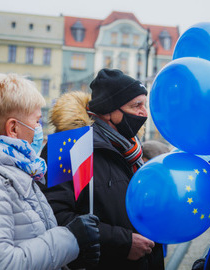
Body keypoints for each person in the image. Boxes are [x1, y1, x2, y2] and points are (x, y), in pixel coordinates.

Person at [0, 72, 100, 270]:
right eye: (37, 121)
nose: (39, 128)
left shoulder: (12, 166)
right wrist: (70, 237)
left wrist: (69, 256)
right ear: (13, 128)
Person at [40, 68, 164, 269]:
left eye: (145, 105)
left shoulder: (131, 150)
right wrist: (122, 243)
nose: (144, 113)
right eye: (136, 105)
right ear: (108, 111)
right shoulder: (65, 147)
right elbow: (55, 214)